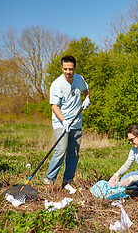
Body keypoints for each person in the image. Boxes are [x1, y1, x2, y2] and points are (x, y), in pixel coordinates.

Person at [43, 55, 90, 191]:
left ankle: (68, 181)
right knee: (61, 149)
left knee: (74, 152)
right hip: (61, 123)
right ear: (62, 68)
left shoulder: (79, 79)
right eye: (65, 69)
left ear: (74, 68)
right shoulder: (56, 84)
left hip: (76, 122)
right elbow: (54, 106)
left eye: (70, 69)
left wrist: (87, 98)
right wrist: (64, 121)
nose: (68, 72)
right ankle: (49, 180)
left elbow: (86, 89)